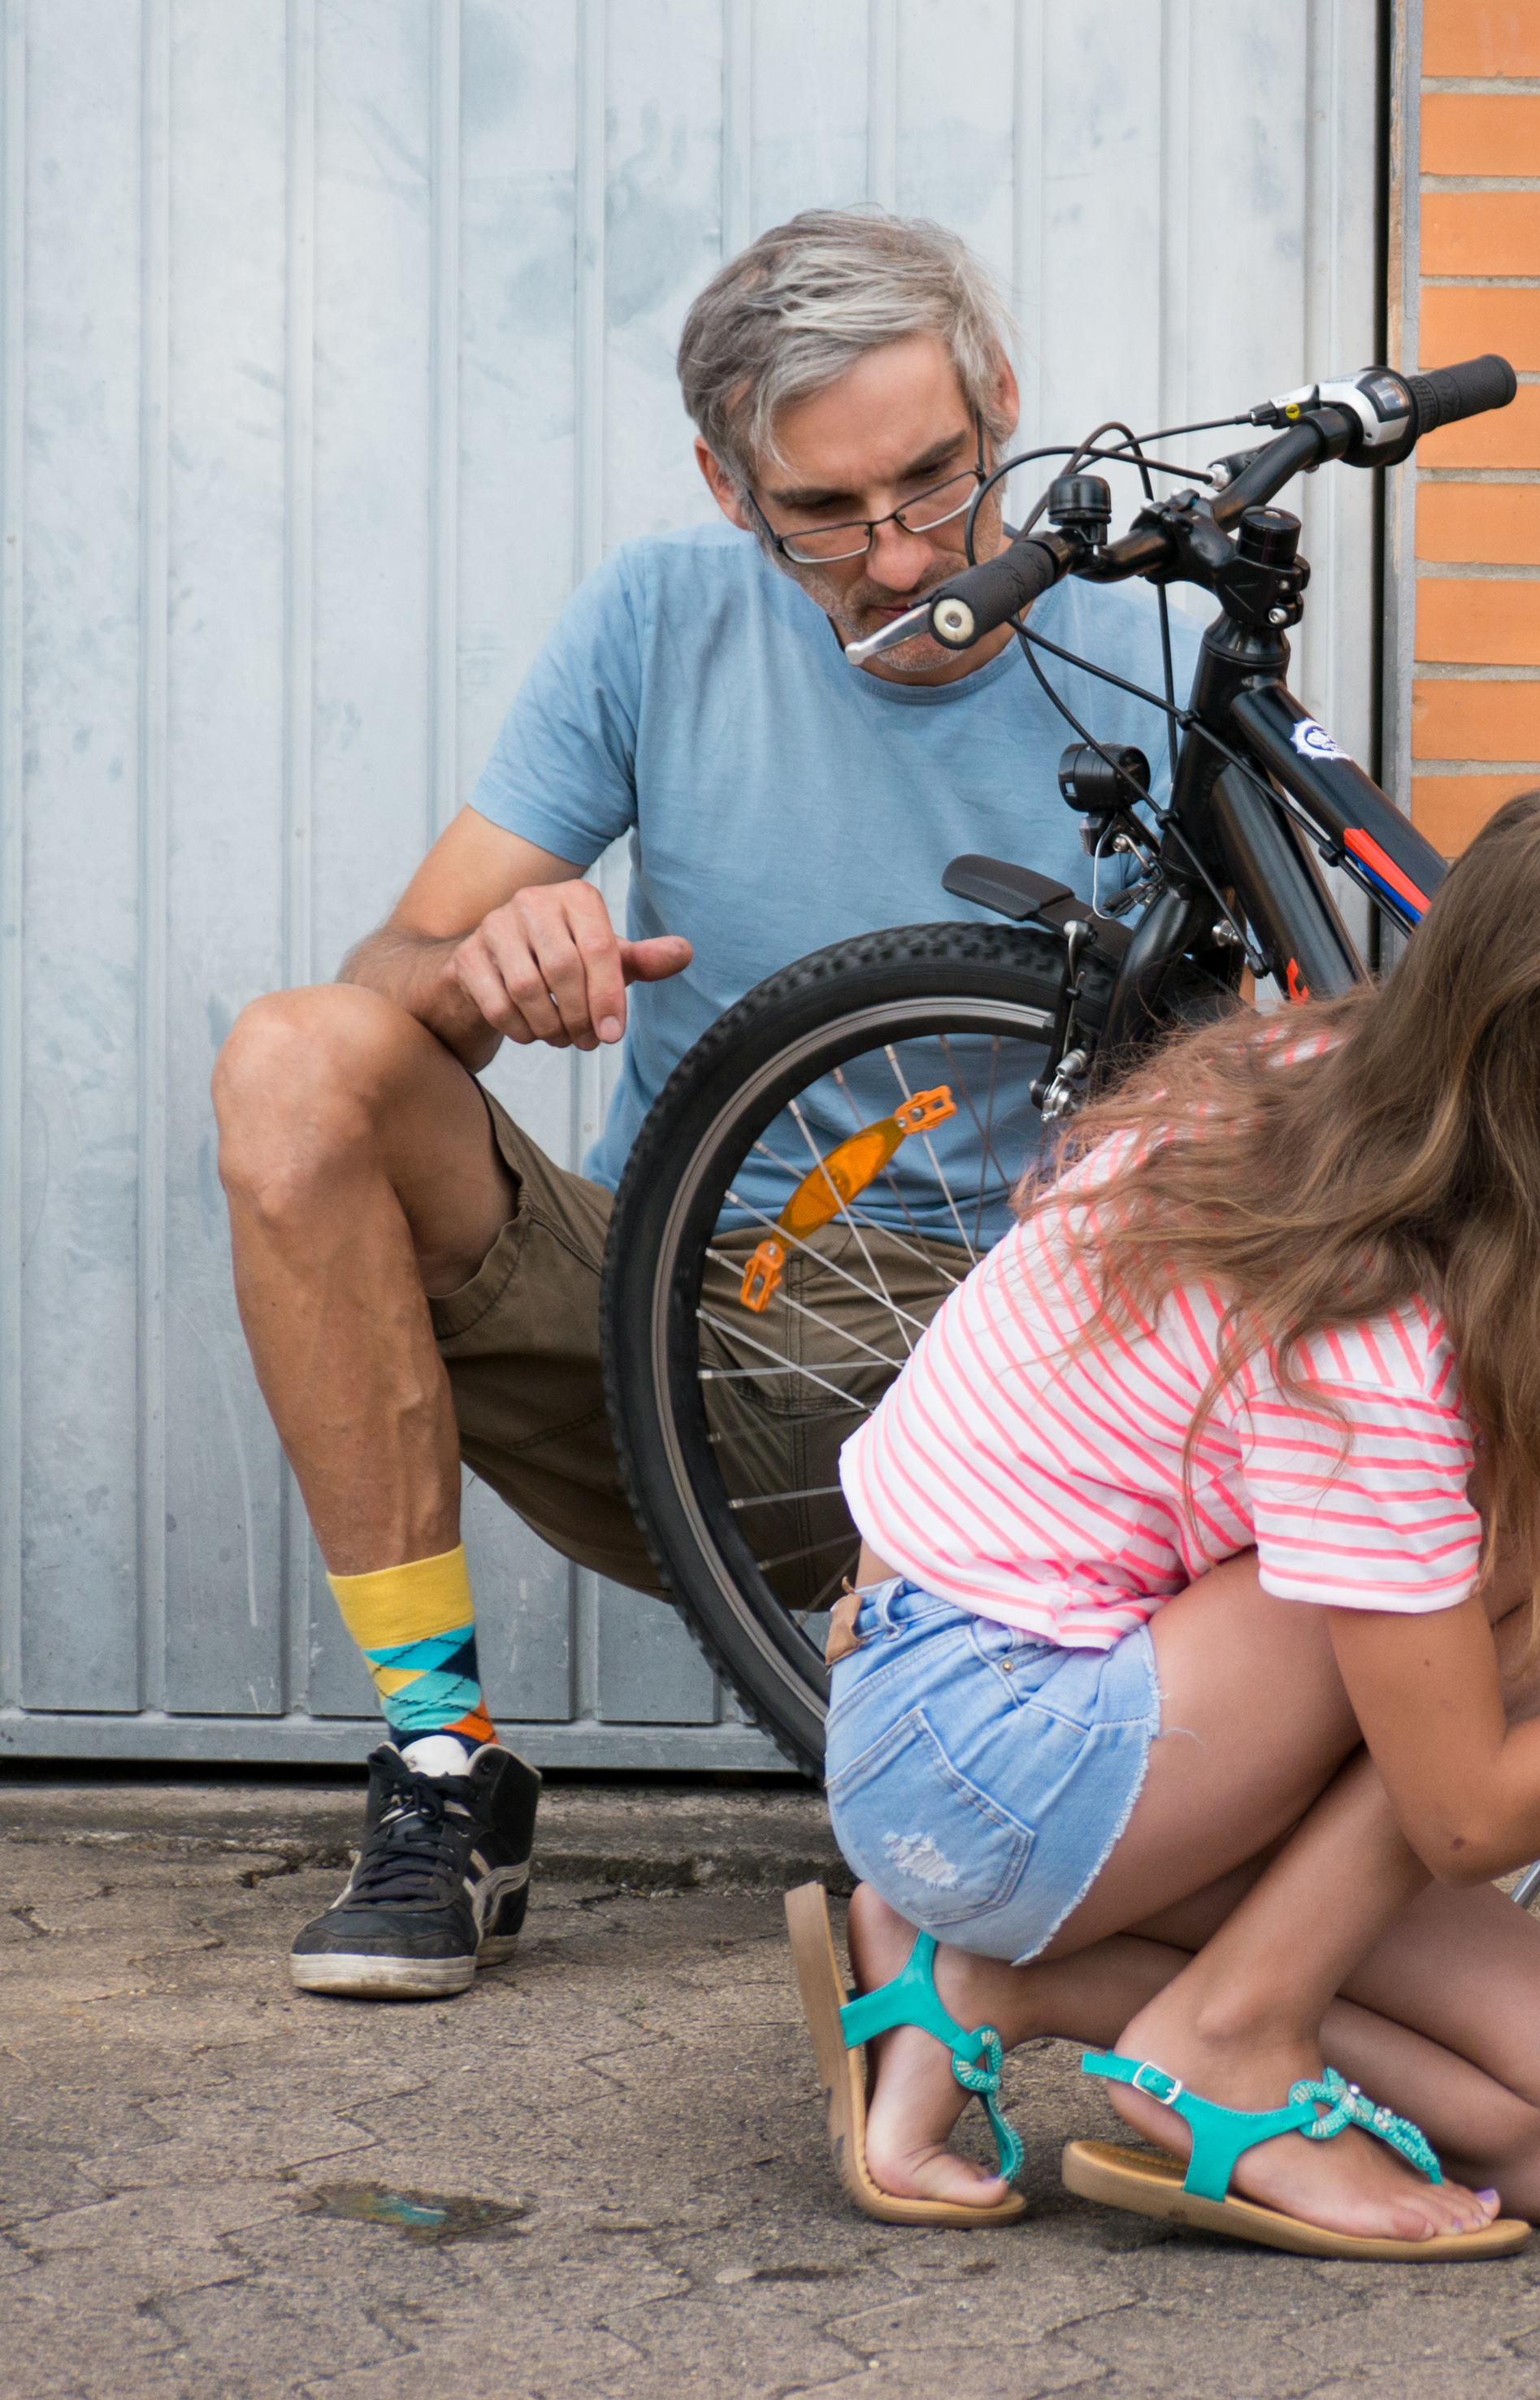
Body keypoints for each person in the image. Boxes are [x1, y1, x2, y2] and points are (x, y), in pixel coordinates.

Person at [789, 779, 1540, 2259]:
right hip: (994, 1750)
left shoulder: (1366, 1072)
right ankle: (1218, 2032)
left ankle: (1000, 1981)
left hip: (1010, 1705)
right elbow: (1467, 1814)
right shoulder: (1366, 1322)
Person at [211, 210, 1183, 2002]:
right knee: (296, 1059)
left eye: (935, 483)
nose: (899, 559)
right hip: (681, 1332)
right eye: (827, 514)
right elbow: (387, 969)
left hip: (1022, 1398)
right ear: (727, 487)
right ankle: (442, 1770)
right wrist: (485, 958)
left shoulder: (1163, 655)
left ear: (1006, 410)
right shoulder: (657, 617)